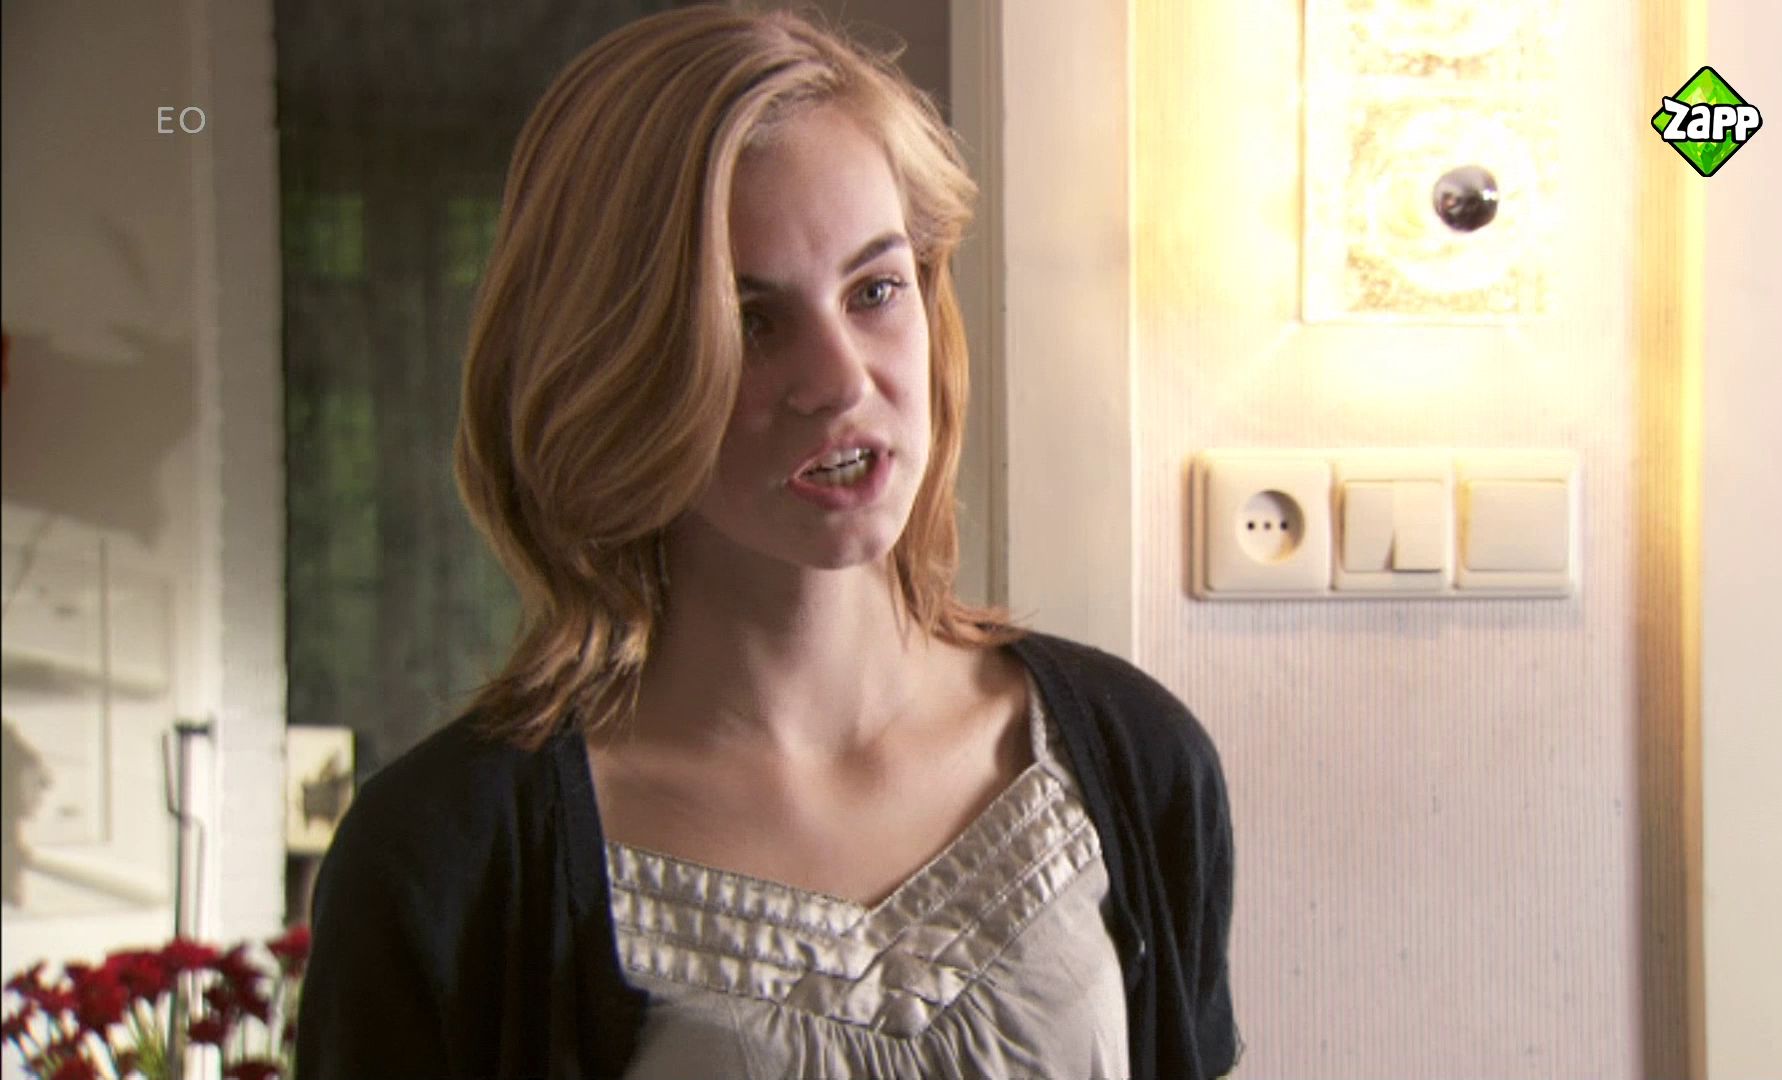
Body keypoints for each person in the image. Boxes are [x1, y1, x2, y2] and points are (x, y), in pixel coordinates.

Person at [296, 7, 1240, 1078]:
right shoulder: (446, 860)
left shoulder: (1134, 761)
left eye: (875, 290)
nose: (840, 380)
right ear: (616, 363)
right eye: (751, 321)